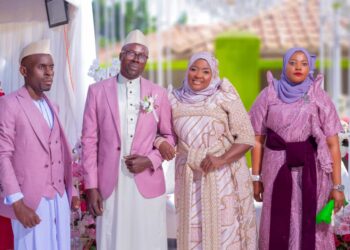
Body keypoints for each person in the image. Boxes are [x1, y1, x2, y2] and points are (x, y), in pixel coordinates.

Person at [81, 29, 175, 250]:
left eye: (142, 55)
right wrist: (91, 186)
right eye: (131, 53)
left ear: (146, 61)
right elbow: (89, 141)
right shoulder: (97, 91)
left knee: (147, 238)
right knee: (113, 238)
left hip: (146, 178)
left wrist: (149, 160)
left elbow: (170, 137)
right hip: (110, 182)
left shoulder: (158, 93)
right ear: (121, 55)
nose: (136, 59)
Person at [156, 52, 258, 250]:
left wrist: (221, 159)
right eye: (194, 69)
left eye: (205, 71)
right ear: (187, 71)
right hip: (188, 180)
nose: (198, 75)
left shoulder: (224, 97)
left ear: (213, 74)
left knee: (225, 233)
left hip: (222, 178)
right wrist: (161, 142)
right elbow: (162, 133)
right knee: (192, 233)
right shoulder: (174, 99)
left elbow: (246, 136)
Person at [249, 47, 345, 250]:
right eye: (293, 62)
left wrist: (337, 187)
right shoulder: (268, 94)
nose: (298, 67)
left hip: (313, 172)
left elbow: (332, 143)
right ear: (284, 65)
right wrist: (256, 179)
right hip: (276, 170)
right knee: (277, 218)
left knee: (312, 221)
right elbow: (257, 140)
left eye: (303, 63)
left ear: (309, 67)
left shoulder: (319, 96)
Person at [0, 39, 79, 250]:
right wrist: (17, 202)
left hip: (59, 197)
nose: (49, 73)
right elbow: (2, 155)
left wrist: (72, 193)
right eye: (41, 67)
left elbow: (59, 149)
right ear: (23, 70)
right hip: (29, 200)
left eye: (51, 67)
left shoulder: (53, 106)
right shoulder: (9, 104)